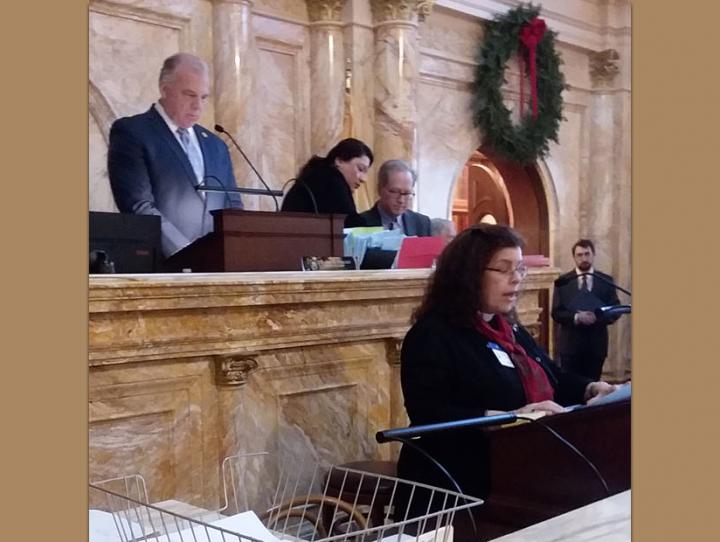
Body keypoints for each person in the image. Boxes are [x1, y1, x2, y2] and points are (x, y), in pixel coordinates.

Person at [397, 225, 617, 507]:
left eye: (520, 269)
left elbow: (553, 377)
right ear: (469, 274)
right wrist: (510, 417)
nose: (516, 279)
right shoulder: (433, 334)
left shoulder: (509, 329)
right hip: (458, 484)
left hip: (523, 471)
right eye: (504, 269)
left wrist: (590, 388)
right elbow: (429, 412)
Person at [108, 53, 243, 258]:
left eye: (203, 97)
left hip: (220, 270)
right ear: (164, 89)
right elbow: (140, 207)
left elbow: (233, 207)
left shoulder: (216, 145)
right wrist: (188, 254)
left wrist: (235, 253)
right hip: (165, 270)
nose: (198, 106)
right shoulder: (132, 132)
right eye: (189, 95)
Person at [552, 239, 622, 381]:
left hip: (596, 346)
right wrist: (577, 317)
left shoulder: (605, 280)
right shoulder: (563, 281)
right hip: (570, 347)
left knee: (593, 390)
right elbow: (556, 312)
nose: (584, 258)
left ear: (593, 255)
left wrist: (598, 316)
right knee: (570, 389)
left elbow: (615, 309)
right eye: (579, 255)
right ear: (574, 257)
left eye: (587, 254)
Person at [281, 138, 373, 228]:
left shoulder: (317, 174)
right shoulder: (331, 181)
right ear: (339, 160)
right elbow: (353, 226)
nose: (363, 179)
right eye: (360, 169)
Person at [357, 160, 432, 236]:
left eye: (407, 193)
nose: (401, 200)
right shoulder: (359, 223)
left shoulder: (422, 223)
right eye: (394, 192)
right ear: (379, 189)